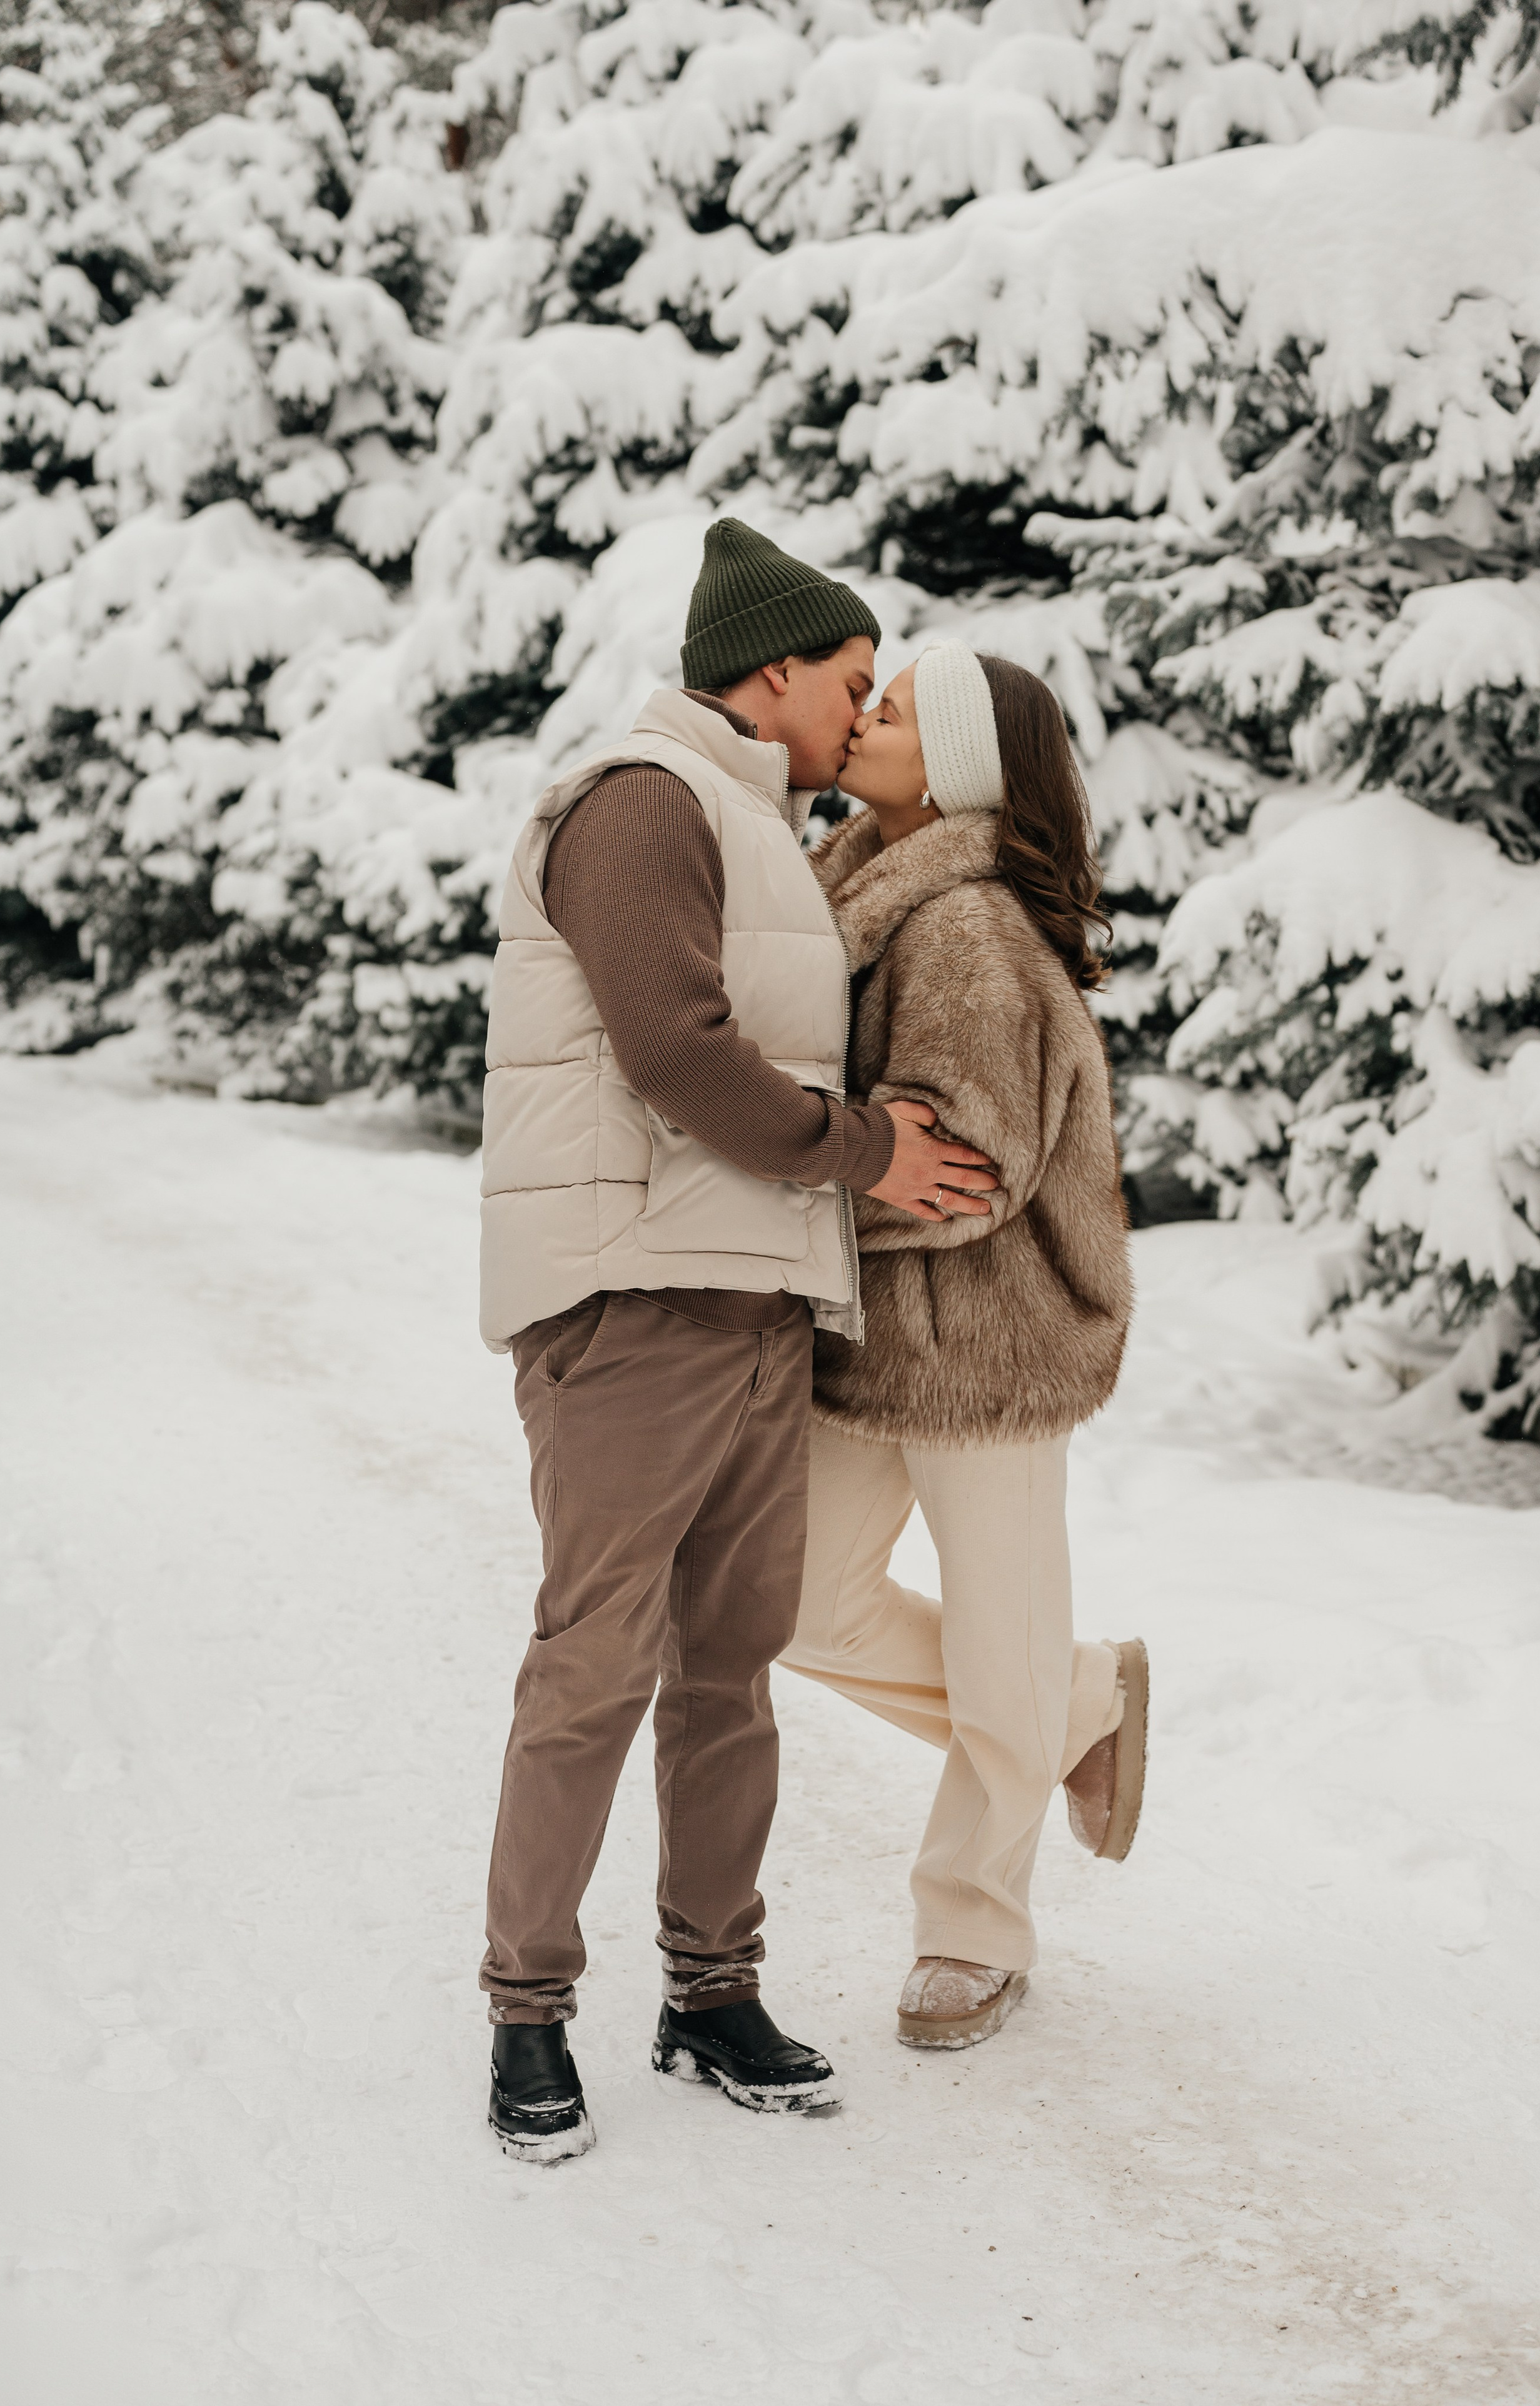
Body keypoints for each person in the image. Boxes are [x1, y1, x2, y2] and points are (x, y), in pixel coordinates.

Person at [475, 524, 1000, 2160]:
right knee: (594, 1665)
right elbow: (673, 1052)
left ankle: (711, 1993)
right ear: (769, 673)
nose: (862, 709)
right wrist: (868, 1153)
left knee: (729, 1672)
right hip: (634, 1298)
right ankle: (527, 2011)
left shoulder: (762, 824)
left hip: (759, 1298)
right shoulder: (643, 801)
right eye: (850, 679)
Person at [780, 642, 1145, 2051]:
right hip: (872, 1335)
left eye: (893, 709)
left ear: (957, 766)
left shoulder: (967, 929)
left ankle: (973, 1929)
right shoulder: (863, 890)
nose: (862, 717)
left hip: (992, 1342)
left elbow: (963, 1169)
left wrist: (784, 1203)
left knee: (1000, 1633)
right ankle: (1080, 1700)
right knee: (793, 1605)